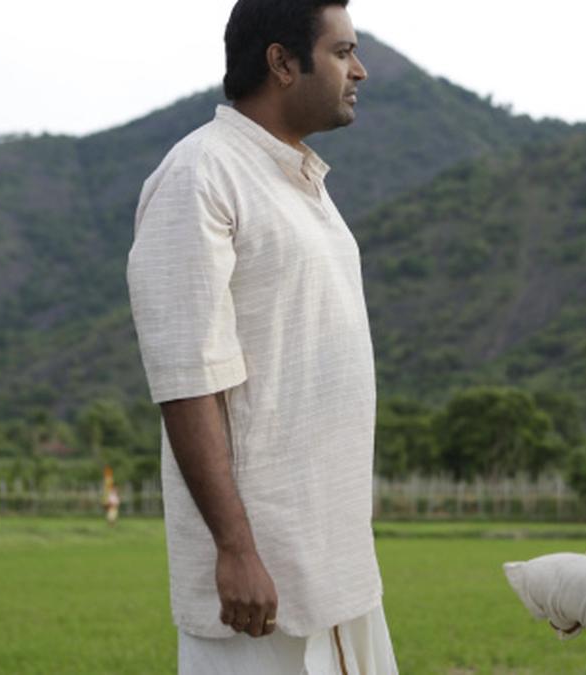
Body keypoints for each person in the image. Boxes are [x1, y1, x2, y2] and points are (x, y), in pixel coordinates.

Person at [126, 1, 396, 672]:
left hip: (337, 569)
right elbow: (187, 378)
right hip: (260, 588)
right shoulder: (201, 174)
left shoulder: (299, 181)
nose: (360, 70)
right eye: (342, 52)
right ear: (281, 62)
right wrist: (235, 548)